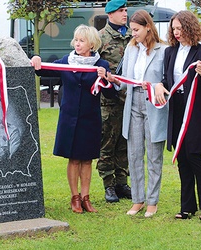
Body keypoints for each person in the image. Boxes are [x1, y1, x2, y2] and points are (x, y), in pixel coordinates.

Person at [30, 25, 116, 213]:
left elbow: (111, 95)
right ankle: (74, 197)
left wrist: (106, 80)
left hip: (90, 119)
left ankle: (86, 198)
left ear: (91, 44)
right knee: (74, 159)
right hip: (69, 119)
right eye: (76, 40)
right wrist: (36, 59)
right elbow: (43, 70)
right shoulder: (66, 61)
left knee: (87, 160)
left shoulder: (101, 65)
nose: (77, 43)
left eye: (82, 40)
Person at [154, 10, 201, 221]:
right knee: (182, 158)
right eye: (174, 28)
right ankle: (187, 207)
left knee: (194, 156)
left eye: (180, 28)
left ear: (189, 27)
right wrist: (159, 87)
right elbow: (166, 79)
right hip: (177, 106)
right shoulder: (169, 52)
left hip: (195, 110)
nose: (176, 32)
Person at [107, 9, 168, 218]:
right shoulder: (131, 50)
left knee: (153, 156)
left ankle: (152, 201)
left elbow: (167, 82)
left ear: (147, 27)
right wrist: (114, 81)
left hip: (154, 106)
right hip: (133, 105)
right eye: (131, 30)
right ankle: (137, 200)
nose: (133, 34)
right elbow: (124, 80)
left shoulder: (163, 50)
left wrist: (157, 85)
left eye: (136, 30)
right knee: (134, 155)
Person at [96, 0, 132, 203]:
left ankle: (121, 183)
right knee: (107, 144)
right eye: (120, 11)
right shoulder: (101, 38)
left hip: (128, 100)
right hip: (108, 101)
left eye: (126, 10)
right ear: (110, 14)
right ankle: (108, 185)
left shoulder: (132, 36)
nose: (125, 14)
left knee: (124, 143)